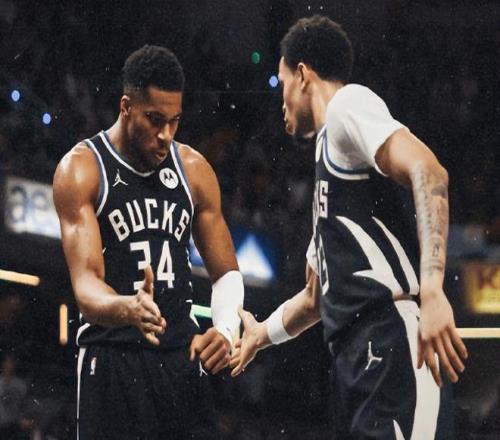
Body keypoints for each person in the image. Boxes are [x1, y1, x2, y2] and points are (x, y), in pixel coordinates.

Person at [231, 15, 468, 439]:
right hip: (355, 357)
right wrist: (260, 335)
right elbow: (314, 299)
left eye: (282, 82)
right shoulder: (330, 165)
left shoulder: (347, 105)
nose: (280, 99)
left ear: (303, 74)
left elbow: (429, 171)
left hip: (393, 340)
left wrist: (432, 289)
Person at [53, 45, 244, 440]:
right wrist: (126, 307)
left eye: (174, 121)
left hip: (180, 359)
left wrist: (226, 328)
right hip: (112, 358)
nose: (165, 135)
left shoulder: (194, 170)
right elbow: (86, 285)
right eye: (154, 120)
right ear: (126, 107)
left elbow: (227, 273)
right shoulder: (82, 169)